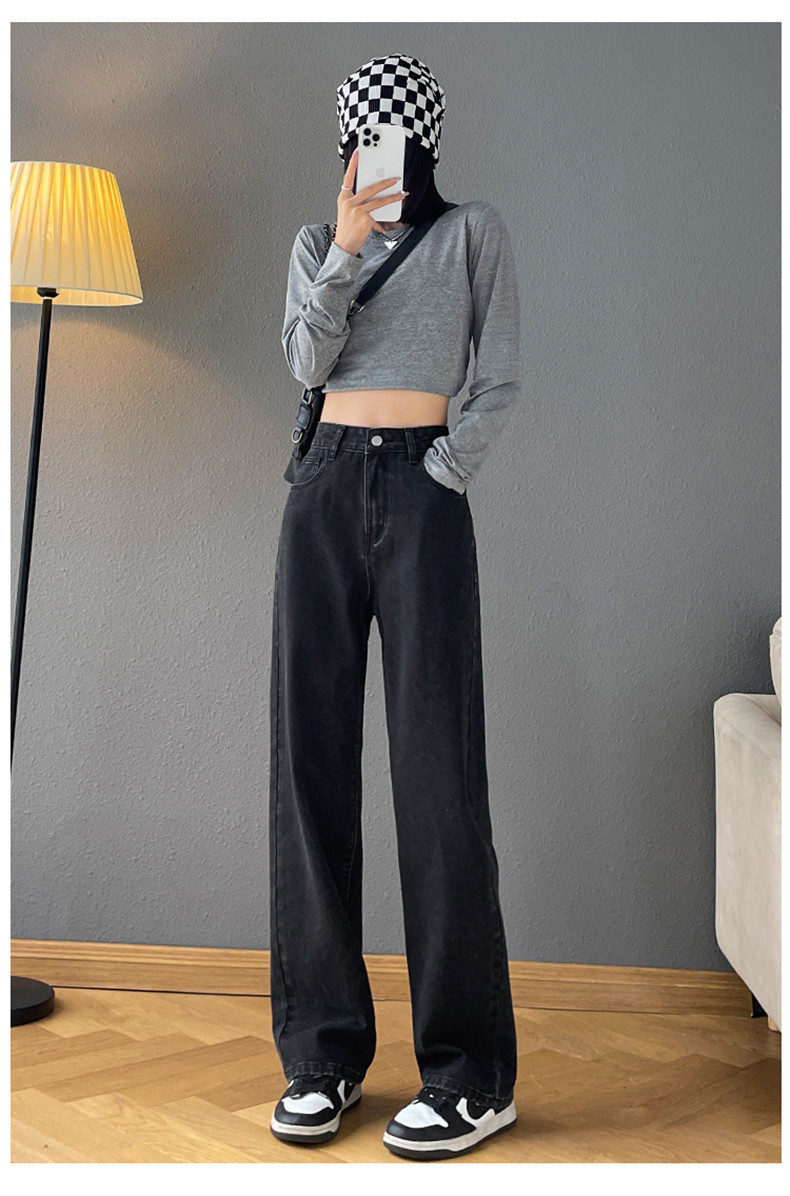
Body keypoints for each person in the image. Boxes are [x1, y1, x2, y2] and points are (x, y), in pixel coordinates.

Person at [268, 53, 521, 1161]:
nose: (384, 156)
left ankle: (470, 1074)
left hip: (422, 495)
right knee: (308, 771)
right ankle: (321, 1056)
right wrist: (344, 249)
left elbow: (498, 374)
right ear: (345, 145)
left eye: (400, 137)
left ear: (427, 139)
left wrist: (443, 473)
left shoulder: (473, 235)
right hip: (323, 490)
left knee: (438, 779)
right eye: (365, 137)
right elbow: (303, 361)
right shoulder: (315, 244)